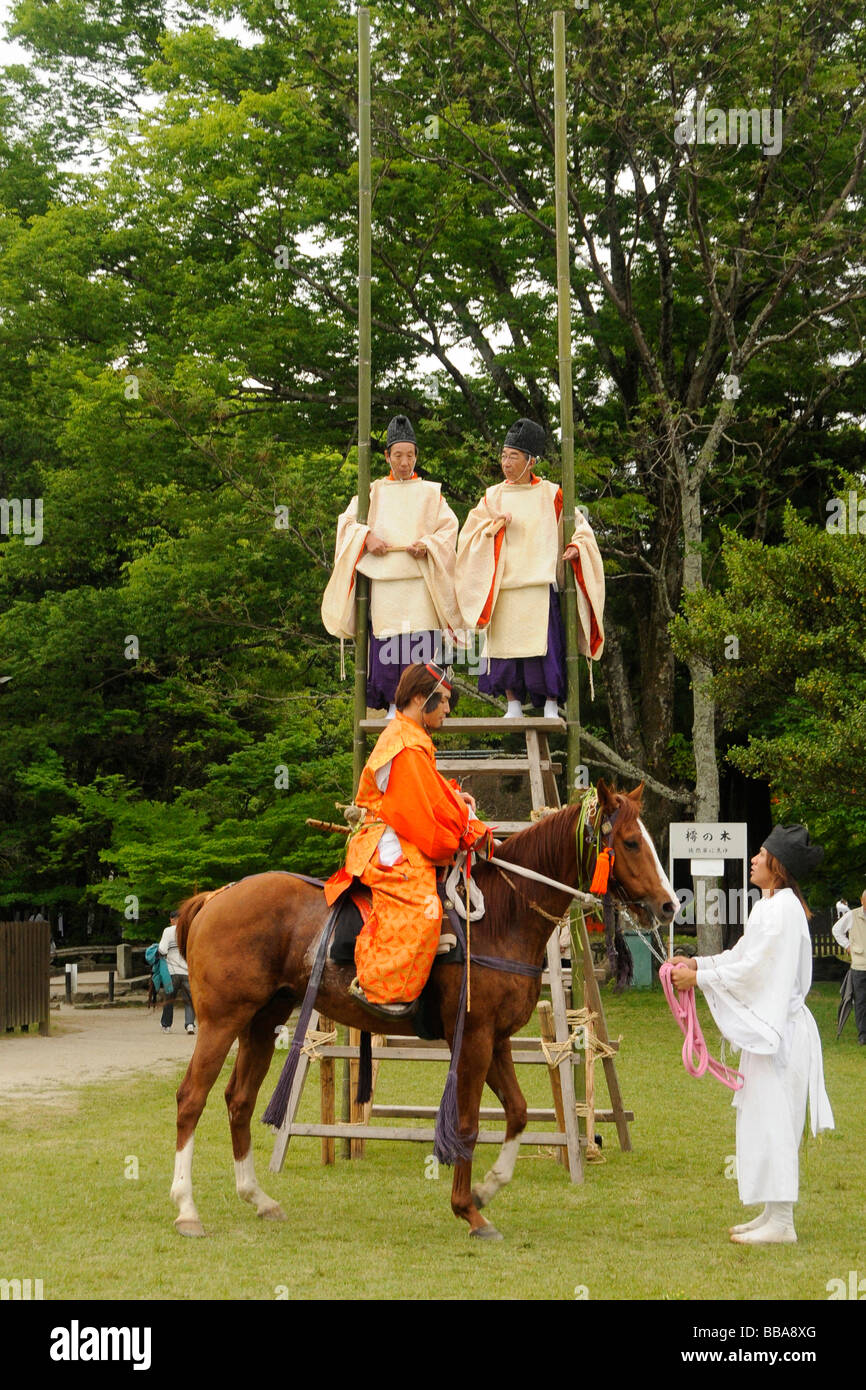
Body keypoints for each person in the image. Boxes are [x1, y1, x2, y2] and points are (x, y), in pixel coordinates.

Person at [670, 825, 834, 1245]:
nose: (755, 859)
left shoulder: (783, 910)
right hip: (771, 1032)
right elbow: (742, 956)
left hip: (781, 1033)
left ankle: (783, 1223)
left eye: (762, 854)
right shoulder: (770, 907)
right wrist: (696, 963)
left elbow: (756, 970)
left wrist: (701, 978)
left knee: (777, 1121)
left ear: (777, 866)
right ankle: (771, 1213)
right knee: (760, 1118)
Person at [324, 662, 493, 1016]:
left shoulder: (409, 738)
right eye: (443, 700)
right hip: (387, 836)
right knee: (424, 907)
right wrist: (465, 829)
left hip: (395, 828)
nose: (448, 709)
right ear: (420, 698)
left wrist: (454, 801)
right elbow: (419, 813)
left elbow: (427, 795)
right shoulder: (405, 744)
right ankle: (383, 988)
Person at [455, 417, 605, 718]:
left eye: (513, 456)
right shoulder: (492, 496)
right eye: (503, 455)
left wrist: (577, 546)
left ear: (531, 461)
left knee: (545, 649)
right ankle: (512, 703)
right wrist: (492, 528)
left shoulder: (552, 494)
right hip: (504, 586)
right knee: (505, 652)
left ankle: (550, 703)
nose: (506, 463)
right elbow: (469, 534)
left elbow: (581, 528)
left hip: (538, 585)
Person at [321, 415, 462, 717]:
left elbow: (450, 528)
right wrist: (367, 536)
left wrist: (428, 544)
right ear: (387, 456)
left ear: (416, 456)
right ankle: (393, 706)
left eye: (410, 455)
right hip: (386, 586)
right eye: (398, 455)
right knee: (389, 646)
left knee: (421, 646)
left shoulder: (430, 492)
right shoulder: (373, 492)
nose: (404, 462)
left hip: (420, 584)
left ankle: (423, 707)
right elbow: (346, 523)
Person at [832, 889, 866, 1044]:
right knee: (861, 1001)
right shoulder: (852, 915)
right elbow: (836, 930)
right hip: (859, 966)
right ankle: (863, 1035)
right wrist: (847, 946)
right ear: (862, 901)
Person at [158, 911, 196, 1035]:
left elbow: (162, 949)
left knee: (169, 998)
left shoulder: (168, 931)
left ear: (171, 920)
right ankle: (190, 1024)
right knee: (189, 999)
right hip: (186, 970)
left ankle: (166, 1025)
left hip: (172, 971)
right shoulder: (188, 930)